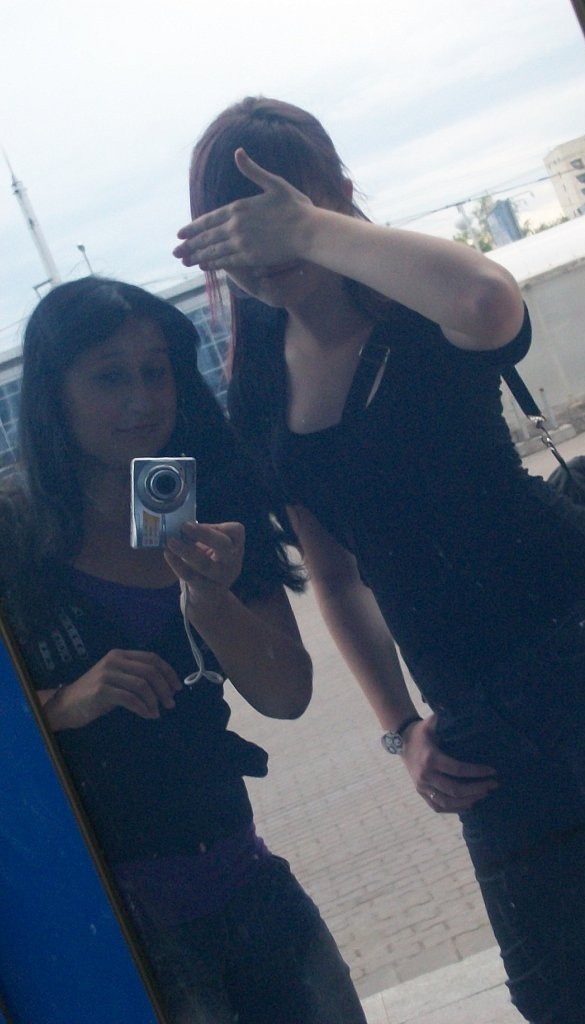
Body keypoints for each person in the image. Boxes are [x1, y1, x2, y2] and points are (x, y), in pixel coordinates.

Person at [173, 97, 585, 1023]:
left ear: (333, 195)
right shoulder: (256, 381)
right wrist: (400, 728)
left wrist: (312, 229)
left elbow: (490, 301)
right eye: (237, 219)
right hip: (470, 717)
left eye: (279, 206)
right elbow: (335, 575)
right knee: (555, 993)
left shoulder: (418, 304)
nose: (264, 238)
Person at [0, 277, 367, 1024]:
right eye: (109, 377)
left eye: (156, 371)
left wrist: (209, 600)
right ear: (53, 393)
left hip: (248, 888)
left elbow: (287, 694)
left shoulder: (208, 511)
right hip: (107, 926)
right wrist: (62, 704)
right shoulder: (13, 535)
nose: (141, 399)